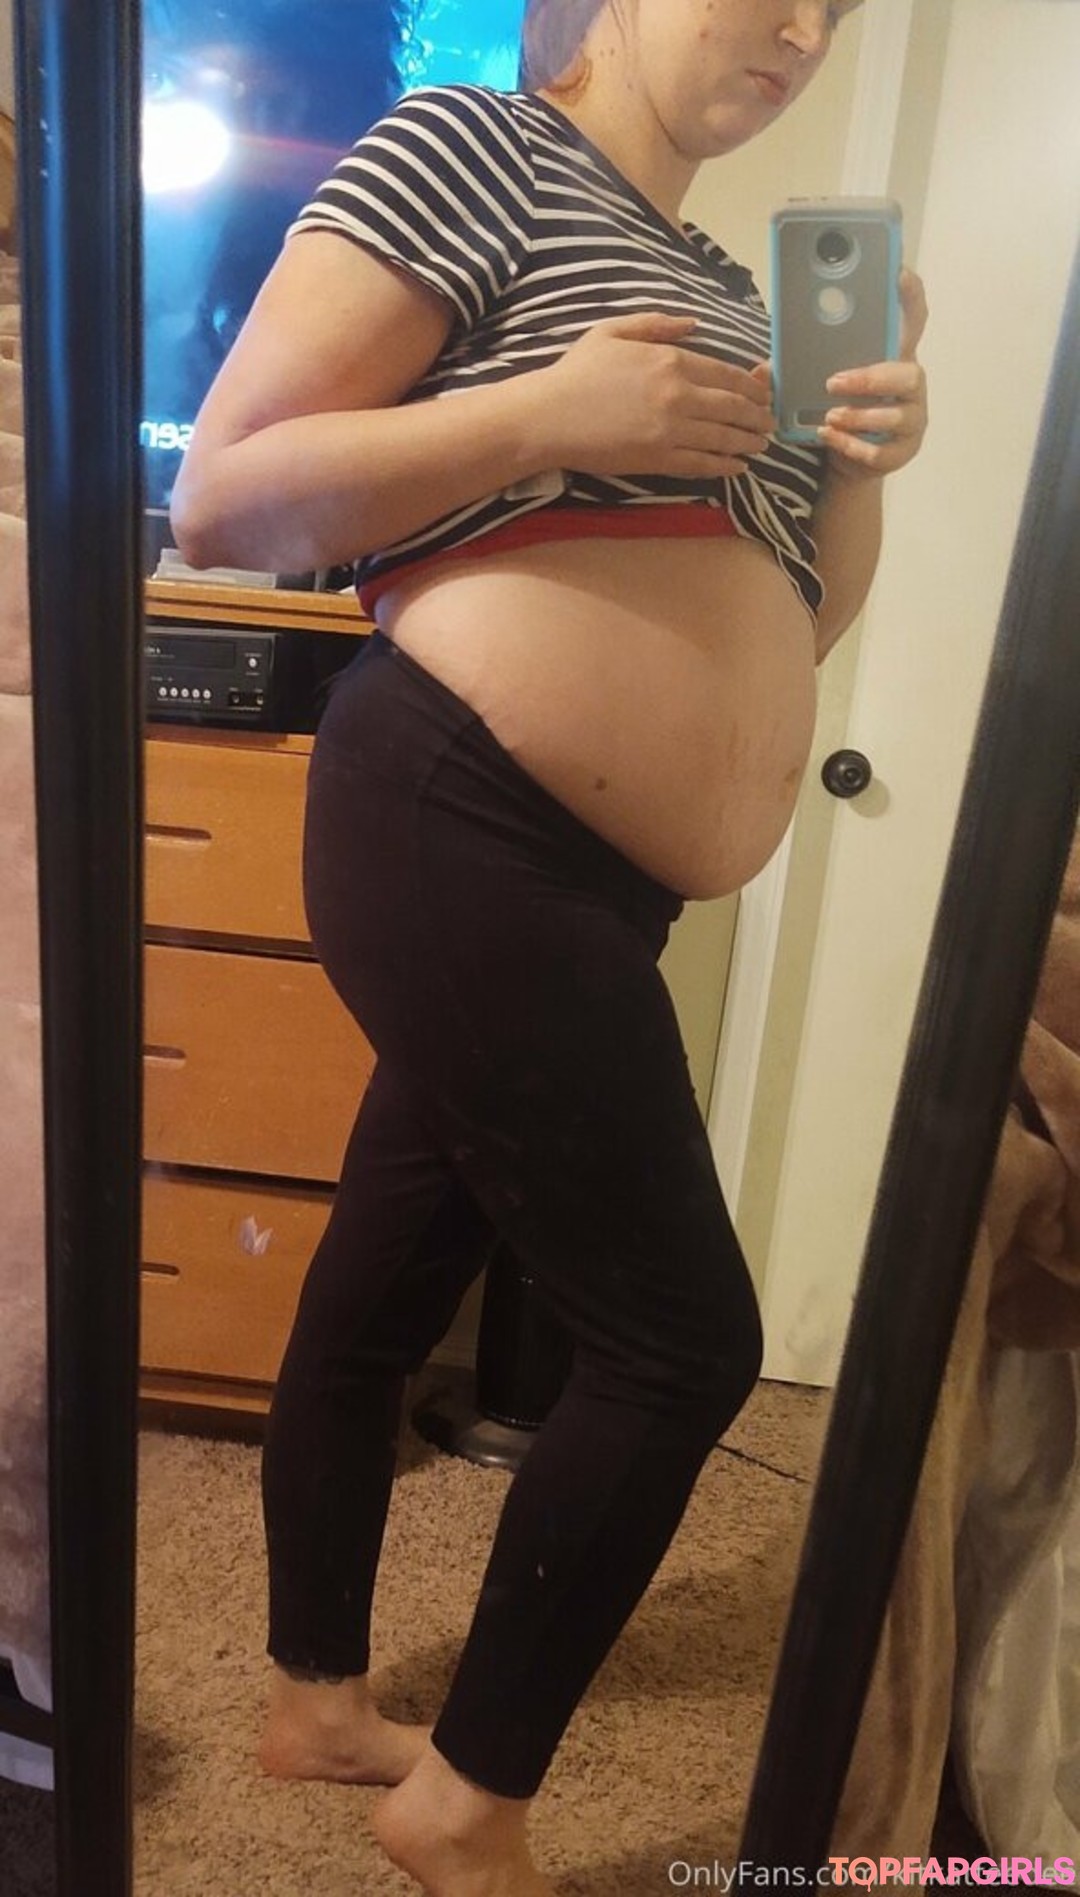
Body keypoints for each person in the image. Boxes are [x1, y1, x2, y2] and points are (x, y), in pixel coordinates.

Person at [170, 2, 929, 1891]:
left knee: (386, 1272)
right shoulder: (474, 150)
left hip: (597, 879)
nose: (801, 29)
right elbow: (227, 494)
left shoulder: (735, 298)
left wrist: (854, 457)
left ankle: (317, 1702)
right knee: (684, 1341)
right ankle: (467, 1806)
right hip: (461, 814)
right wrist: (543, 418)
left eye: (836, 8)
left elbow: (792, 621)